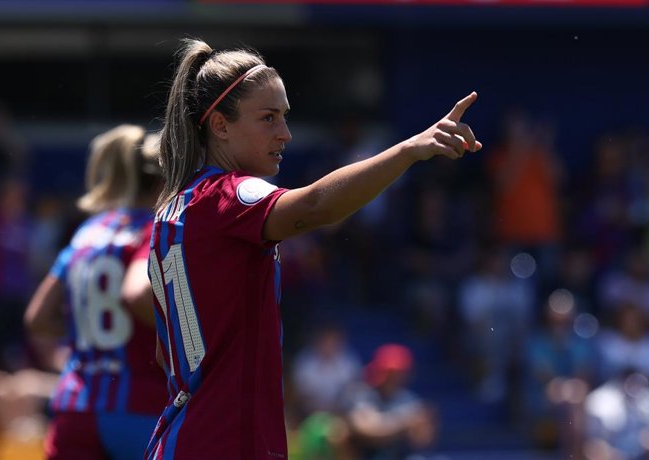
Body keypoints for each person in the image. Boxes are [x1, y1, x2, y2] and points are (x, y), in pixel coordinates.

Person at [145, 38, 481, 460]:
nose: (284, 133)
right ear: (220, 125)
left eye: (285, 117)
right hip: (226, 441)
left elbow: (165, 351)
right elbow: (316, 206)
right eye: (268, 118)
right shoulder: (231, 195)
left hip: (178, 438)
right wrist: (409, 150)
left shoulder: (171, 210)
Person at [23, 125, 167, 460]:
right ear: (164, 179)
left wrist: (86, 332)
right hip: (139, 408)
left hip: (76, 406)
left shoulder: (88, 232)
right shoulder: (153, 229)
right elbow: (137, 293)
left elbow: (37, 318)